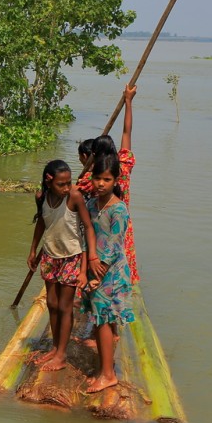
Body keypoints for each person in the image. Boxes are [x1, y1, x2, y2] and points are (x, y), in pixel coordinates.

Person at [27, 159, 98, 372]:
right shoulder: (42, 197)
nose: (66, 188)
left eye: (68, 183)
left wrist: (88, 263)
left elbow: (87, 227)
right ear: (49, 181)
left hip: (71, 257)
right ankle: (56, 347)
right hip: (50, 255)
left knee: (65, 307)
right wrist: (32, 250)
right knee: (51, 303)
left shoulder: (74, 197)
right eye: (61, 184)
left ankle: (61, 354)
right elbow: (42, 222)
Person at [80, 153, 135, 393]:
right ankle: (104, 370)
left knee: (104, 321)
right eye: (97, 178)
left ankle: (108, 375)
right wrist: (85, 271)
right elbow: (85, 237)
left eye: (107, 179)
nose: (101, 183)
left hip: (110, 272)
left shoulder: (119, 210)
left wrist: (96, 275)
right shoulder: (92, 204)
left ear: (116, 181)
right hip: (94, 267)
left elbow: (114, 245)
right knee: (100, 320)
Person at [77, 84, 138, 284]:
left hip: (99, 232)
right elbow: (127, 133)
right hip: (122, 230)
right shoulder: (123, 168)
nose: (102, 183)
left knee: (99, 273)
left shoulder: (90, 180)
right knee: (121, 268)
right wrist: (128, 102)